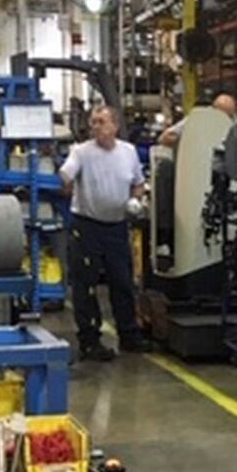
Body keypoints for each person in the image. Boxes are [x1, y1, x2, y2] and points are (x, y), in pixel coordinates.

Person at [60, 103, 148, 361]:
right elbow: (66, 175)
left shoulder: (128, 152)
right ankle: (89, 340)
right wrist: (64, 179)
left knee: (122, 282)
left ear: (115, 126)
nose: (95, 126)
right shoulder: (81, 152)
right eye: (93, 122)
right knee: (85, 285)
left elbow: (139, 183)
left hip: (117, 227)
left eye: (101, 121)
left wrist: (136, 200)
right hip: (87, 227)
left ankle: (129, 336)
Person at [160, 93, 237, 148]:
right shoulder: (198, 119)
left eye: (229, 116)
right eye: (221, 117)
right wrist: (190, 140)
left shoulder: (235, 122)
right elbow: (165, 137)